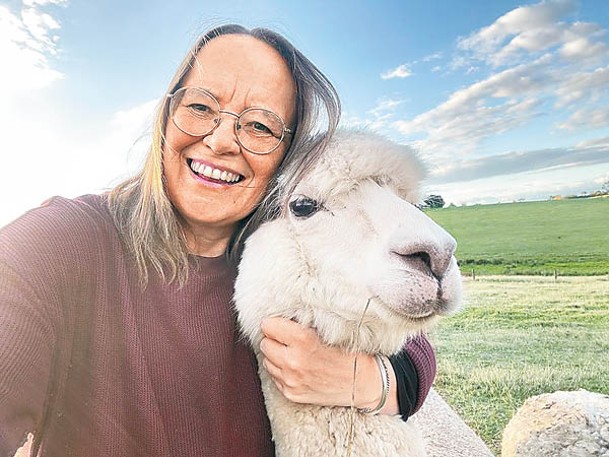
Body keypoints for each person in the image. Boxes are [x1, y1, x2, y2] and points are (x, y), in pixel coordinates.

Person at [0, 24, 436, 457]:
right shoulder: (64, 241)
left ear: (286, 157)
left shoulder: (285, 257)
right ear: (167, 116)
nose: (222, 139)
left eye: (260, 127)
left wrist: (364, 379)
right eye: (201, 106)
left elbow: (412, 349)